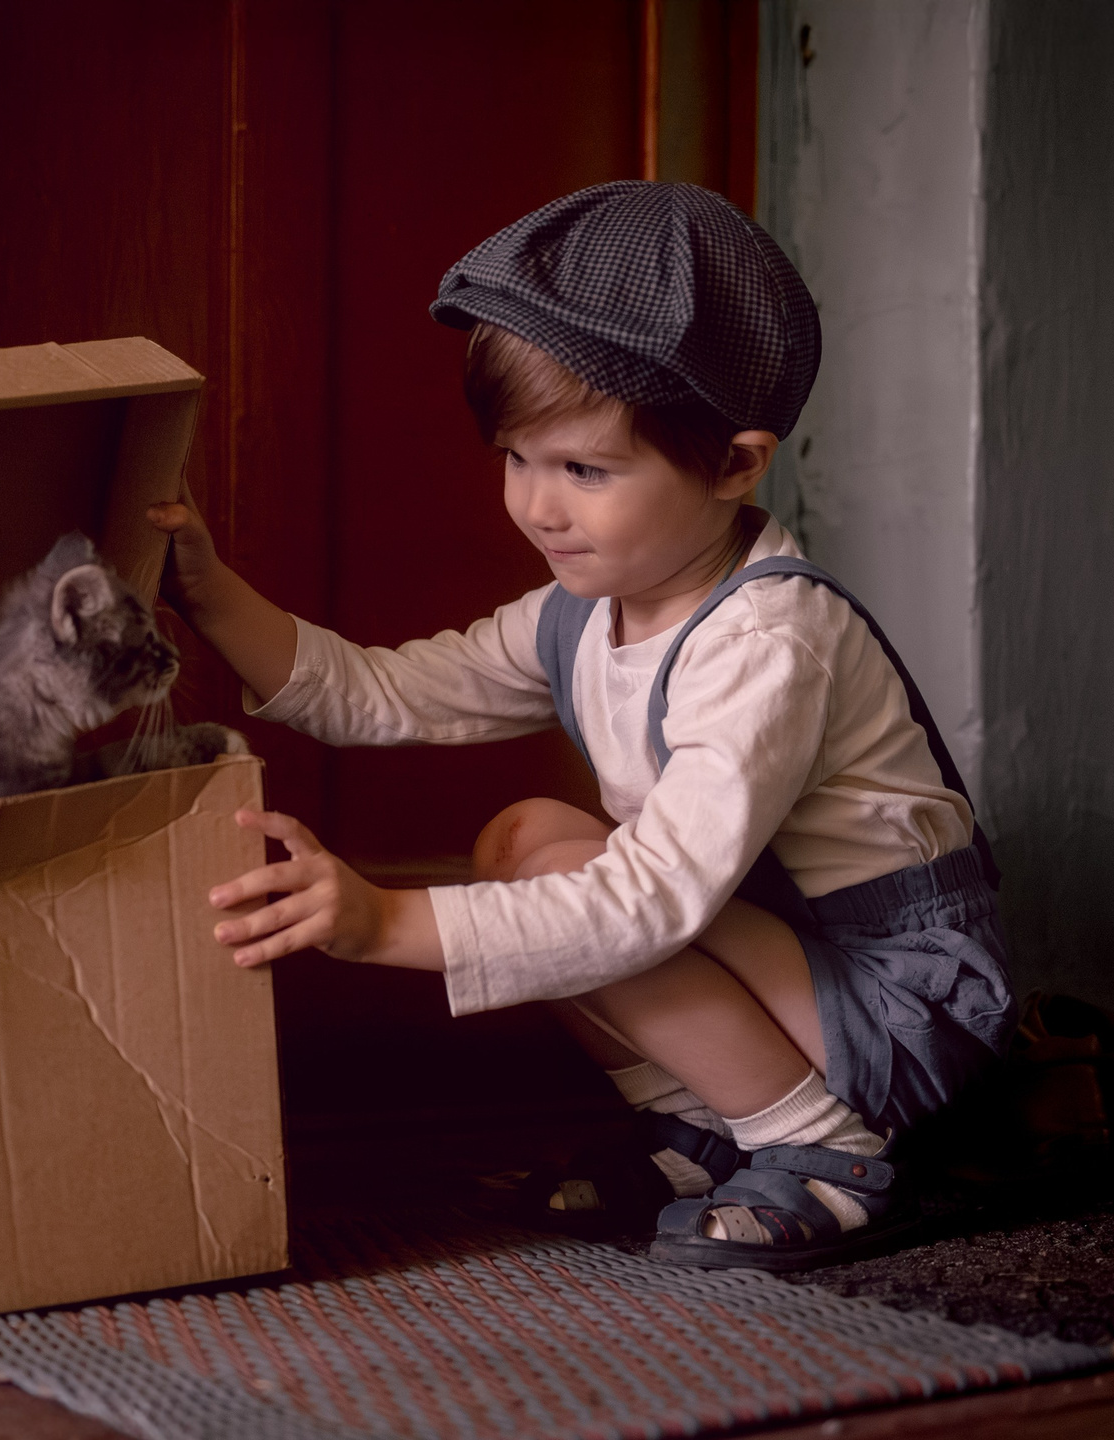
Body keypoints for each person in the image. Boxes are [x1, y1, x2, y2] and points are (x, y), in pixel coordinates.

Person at [146, 181, 1012, 1272]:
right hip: (781, 968)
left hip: (899, 1008)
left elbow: (647, 906)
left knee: (587, 886)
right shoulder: (584, 610)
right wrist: (210, 588)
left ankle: (819, 1148)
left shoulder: (765, 639)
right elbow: (382, 691)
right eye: (518, 458)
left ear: (737, 464)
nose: (536, 506)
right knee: (523, 841)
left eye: (585, 471)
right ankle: (707, 1129)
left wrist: (383, 927)